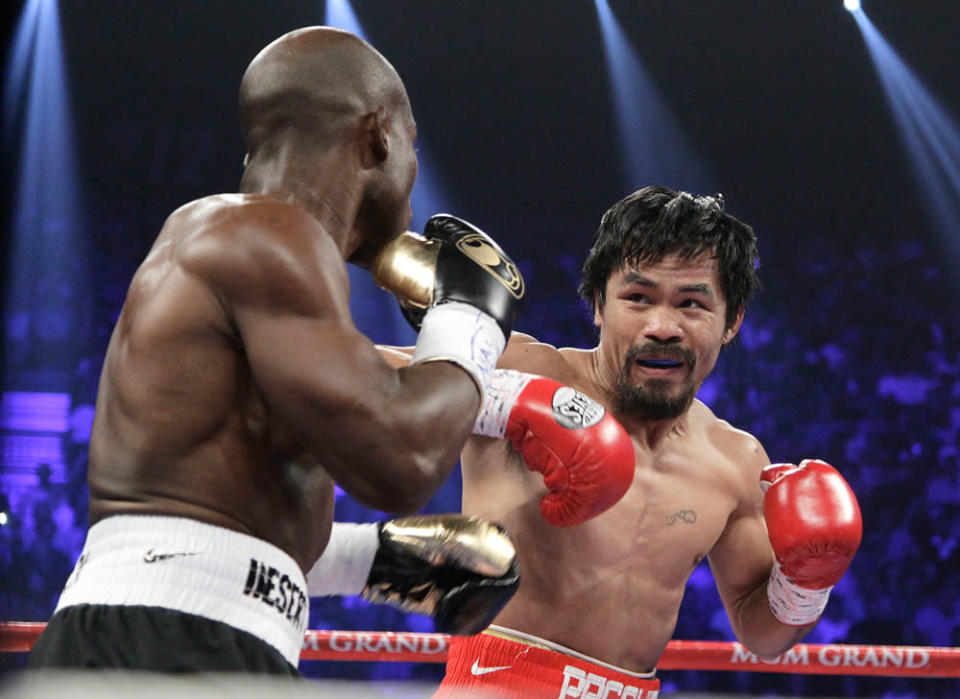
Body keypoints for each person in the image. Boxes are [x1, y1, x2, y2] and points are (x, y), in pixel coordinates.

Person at [25, 26, 617, 676]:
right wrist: (469, 318)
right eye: (412, 148)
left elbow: (199, 514)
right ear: (377, 137)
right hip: (172, 641)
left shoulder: (239, 245)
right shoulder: (268, 233)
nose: (413, 179)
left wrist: (372, 559)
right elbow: (402, 459)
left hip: (176, 635)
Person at [367, 186, 862, 697]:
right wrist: (501, 395)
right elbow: (342, 378)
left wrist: (807, 582)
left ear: (731, 321)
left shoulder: (735, 459)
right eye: (638, 298)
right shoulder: (529, 369)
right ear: (598, 305)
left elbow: (761, 634)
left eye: (692, 303)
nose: (662, 326)